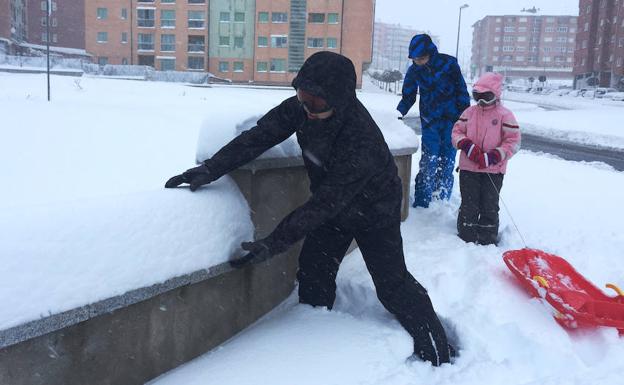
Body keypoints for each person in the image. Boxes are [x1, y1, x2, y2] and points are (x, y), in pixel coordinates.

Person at [166, 51, 454, 366]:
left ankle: (438, 352)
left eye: (315, 103)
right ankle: (316, 345)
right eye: (302, 96)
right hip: (334, 207)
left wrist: (272, 243)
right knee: (314, 271)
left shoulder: (362, 140)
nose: (306, 108)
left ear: (339, 98)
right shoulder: (303, 109)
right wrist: (209, 170)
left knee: (392, 285)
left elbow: (324, 204)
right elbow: (258, 138)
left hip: (374, 211)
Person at [397, 34, 470, 208]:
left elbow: (462, 91)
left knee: (447, 161)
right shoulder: (414, 70)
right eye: (415, 59)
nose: (418, 62)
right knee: (429, 161)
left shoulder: (449, 64)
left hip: (453, 121)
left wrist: (465, 117)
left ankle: (442, 201)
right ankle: (423, 202)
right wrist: (398, 113)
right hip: (430, 122)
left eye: (421, 58)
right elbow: (408, 96)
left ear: (430, 53)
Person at [451, 72, 521, 245]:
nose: (481, 101)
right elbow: (456, 132)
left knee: (489, 204)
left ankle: (487, 238)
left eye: (486, 97)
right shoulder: (469, 113)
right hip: (469, 168)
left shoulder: (505, 115)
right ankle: (466, 235)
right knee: (469, 202)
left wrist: (496, 155)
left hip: (494, 170)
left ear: (496, 96)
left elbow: (514, 141)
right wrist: (467, 146)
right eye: (477, 96)